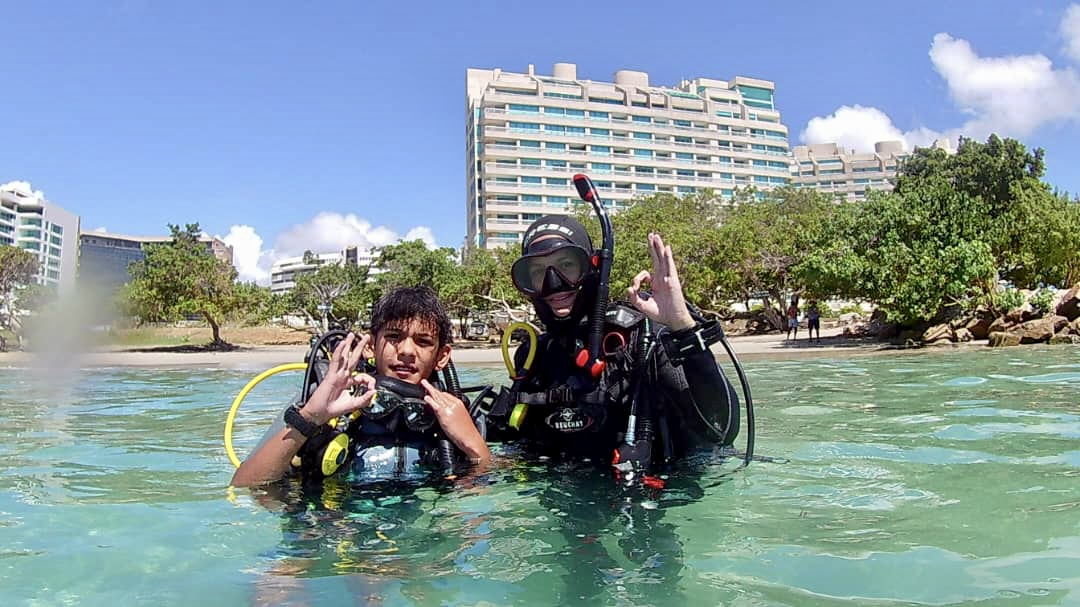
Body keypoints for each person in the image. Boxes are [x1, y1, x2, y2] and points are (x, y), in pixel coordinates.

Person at [486, 214, 741, 478]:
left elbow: (721, 430)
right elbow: (518, 445)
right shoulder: (533, 356)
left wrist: (682, 327)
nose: (554, 283)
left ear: (592, 267)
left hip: (658, 506)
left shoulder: (642, 339)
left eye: (566, 265)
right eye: (538, 272)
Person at [231, 286, 490, 488]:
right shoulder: (323, 404)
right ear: (370, 346)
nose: (407, 351)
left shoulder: (461, 414)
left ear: (442, 355)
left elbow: (485, 497)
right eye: (393, 337)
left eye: (423, 342)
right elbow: (244, 485)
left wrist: (473, 444)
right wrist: (311, 418)